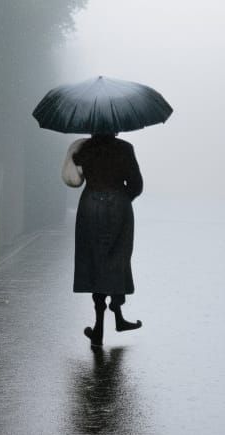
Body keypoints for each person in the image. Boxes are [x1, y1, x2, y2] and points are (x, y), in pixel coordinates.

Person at [63, 133, 144, 346]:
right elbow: (137, 184)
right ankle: (117, 312)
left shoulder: (85, 149)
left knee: (94, 263)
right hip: (118, 206)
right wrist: (122, 196)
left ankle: (98, 327)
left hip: (90, 205)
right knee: (118, 260)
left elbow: (75, 177)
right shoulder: (125, 148)